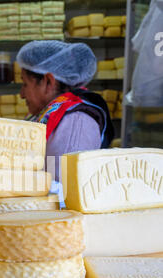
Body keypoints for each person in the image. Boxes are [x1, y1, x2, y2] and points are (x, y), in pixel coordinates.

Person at [16, 40, 114, 182]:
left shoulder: (76, 122)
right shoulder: (49, 112)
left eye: (25, 84)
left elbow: (64, 189)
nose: (21, 94)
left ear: (48, 81)